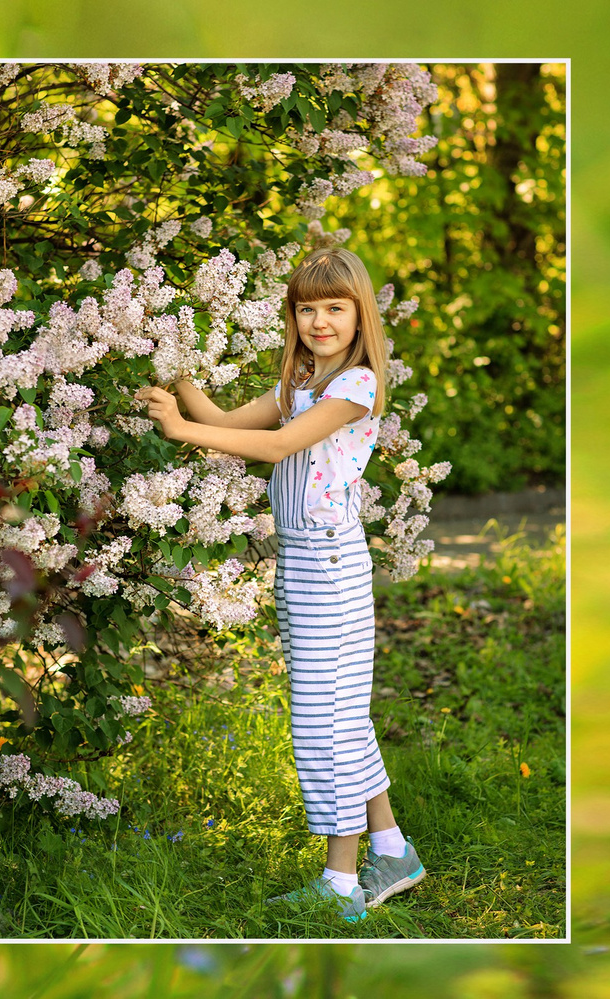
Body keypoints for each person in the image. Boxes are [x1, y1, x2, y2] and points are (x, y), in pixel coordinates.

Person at [139, 245, 424, 924]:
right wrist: (177, 376)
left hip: (331, 565)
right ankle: (392, 850)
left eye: (335, 308)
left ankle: (340, 883)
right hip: (300, 563)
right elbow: (222, 422)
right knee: (339, 710)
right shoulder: (298, 383)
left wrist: (180, 426)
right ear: (292, 316)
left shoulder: (355, 387)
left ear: (360, 316)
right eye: (307, 309)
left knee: (325, 723)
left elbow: (274, 446)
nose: (320, 321)